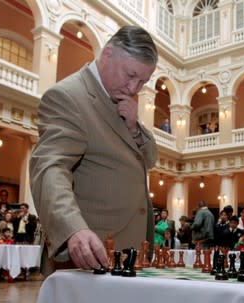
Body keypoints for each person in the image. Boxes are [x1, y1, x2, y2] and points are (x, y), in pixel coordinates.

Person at [29, 25, 158, 274]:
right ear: (107, 54)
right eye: (130, 75)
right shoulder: (68, 97)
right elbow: (50, 167)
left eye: (143, 81)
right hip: (90, 253)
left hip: (127, 252)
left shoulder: (122, 101)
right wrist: (73, 229)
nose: (134, 88)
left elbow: (150, 160)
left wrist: (134, 128)